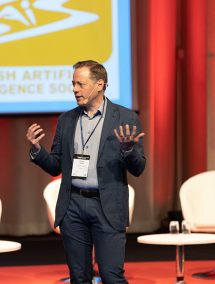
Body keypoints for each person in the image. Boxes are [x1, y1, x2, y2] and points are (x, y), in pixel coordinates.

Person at [26, 60, 146, 284]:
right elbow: (55, 166)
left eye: (80, 84)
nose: (74, 89)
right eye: (73, 84)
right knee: (79, 277)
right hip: (74, 207)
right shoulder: (67, 120)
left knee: (112, 276)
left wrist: (128, 149)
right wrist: (37, 150)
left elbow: (138, 168)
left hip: (107, 206)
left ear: (99, 84)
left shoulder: (125, 118)